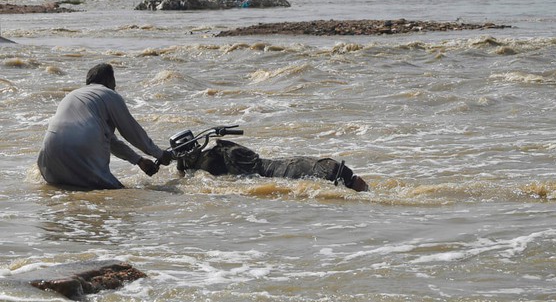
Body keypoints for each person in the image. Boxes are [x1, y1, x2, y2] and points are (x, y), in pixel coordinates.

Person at [37, 63, 171, 190]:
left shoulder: (72, 95)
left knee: (69, 194)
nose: (114, 88)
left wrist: (139, 160)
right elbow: (132, 132)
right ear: (108, 81)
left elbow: (110, 141)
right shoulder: (109, 94)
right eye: (114, 85)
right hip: (82, 150)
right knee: (118, 193)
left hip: (48, 158)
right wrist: (159, 154)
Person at [176, 139, 369, 192]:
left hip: (293, 170)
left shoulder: (211, 161)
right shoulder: (225, 149)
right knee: (350, 184)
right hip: (308, 163)